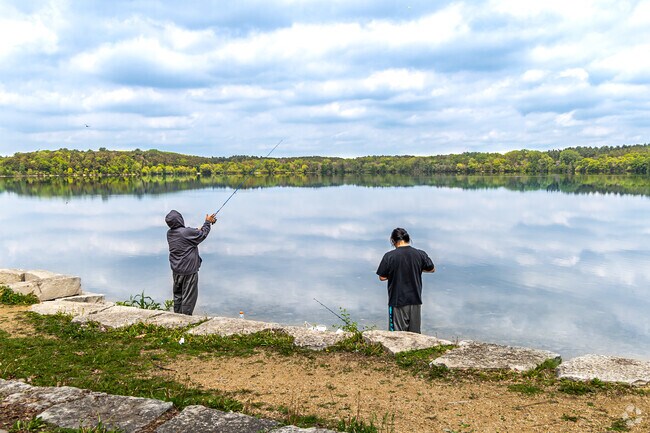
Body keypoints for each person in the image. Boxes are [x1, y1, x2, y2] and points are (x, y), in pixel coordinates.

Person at [376, 228, 435, 333]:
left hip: (397, 300)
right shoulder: (420, 254)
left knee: (396, 335)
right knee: (415, 334)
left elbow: (382, 277)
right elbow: (432, 269)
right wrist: (416, 269)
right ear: (408, 239)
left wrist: (396, 273)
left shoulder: (389, 256)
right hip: (415, 299)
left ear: (393, 241)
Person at [165, 210, 216, 315]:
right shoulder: (186, 233)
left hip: (176, 270)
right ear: (180, 220)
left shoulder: (170, 233)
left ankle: (177, 316)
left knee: (178, 296)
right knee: (189, 298)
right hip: (188, 271)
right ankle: (185, 321)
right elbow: (202, 235)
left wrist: (203, 225)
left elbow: (191, 233)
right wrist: (207, 223)